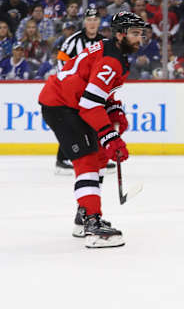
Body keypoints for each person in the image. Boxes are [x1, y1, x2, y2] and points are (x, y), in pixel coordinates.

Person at [38, 12, 147, 248]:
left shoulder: (113, 50)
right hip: (62, 105)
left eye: (141, 33)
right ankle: (92, 224)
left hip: (70, 102)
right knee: (87, 160)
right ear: (120, 35)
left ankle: (84, 215)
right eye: (135, 34)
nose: (140, 39)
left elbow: (97, 89)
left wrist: (114, 108)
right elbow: (90, 103)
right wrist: (111, 137)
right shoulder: (112, 59)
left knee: (97, 156)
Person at [55, 8, 117, 174]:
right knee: (72, 123)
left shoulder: (105, 42)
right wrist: (70, 85)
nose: (92, 22)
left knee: (94, 122)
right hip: (73, 90)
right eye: (89, 19)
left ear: (99, 22)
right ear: (84, 22)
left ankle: (97, 157)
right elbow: (61, 62)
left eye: (95, 19)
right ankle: (62, 159)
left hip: (94, 90)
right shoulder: (73, 41)